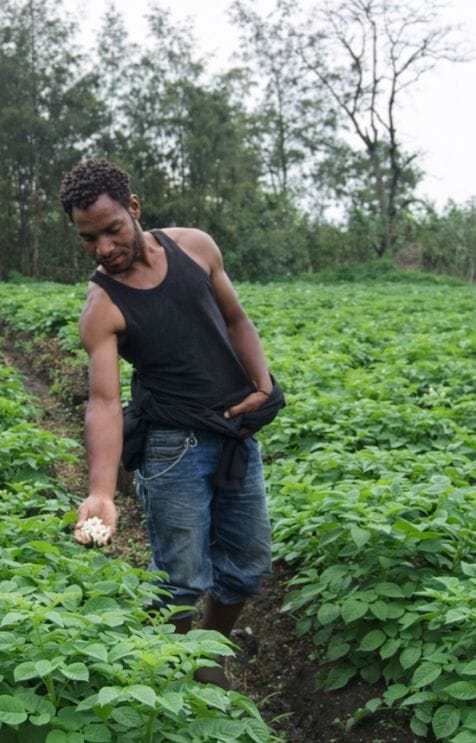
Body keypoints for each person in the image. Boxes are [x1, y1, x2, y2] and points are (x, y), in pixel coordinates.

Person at [59, 159, 284, 688]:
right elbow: (104, 401)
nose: (103, 248)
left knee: (248, 565)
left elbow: (234, 317)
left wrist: (261, 384)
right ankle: (179, 671)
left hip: (234, 436)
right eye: (88, 238)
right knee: (180, 580)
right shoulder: (101, 307)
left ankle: (210, 651)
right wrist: (101, 492)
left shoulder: (196, 248)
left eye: (112, 230)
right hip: (171, 447)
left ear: (134, 210)